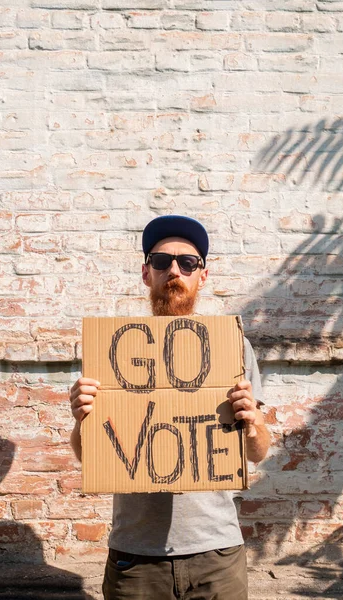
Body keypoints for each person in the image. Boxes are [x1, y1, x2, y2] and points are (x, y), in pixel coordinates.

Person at [69, 215, 271, 599]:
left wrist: (253, 419)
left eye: (187, 263)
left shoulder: (232, 347)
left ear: (203, 276)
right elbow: (87, 456)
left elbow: (258, 453)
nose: (174, 270)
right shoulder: (112, 352)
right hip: (137, 555)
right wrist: (82, 420)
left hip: (216, 554)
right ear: (147, 274)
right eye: (161, 262)